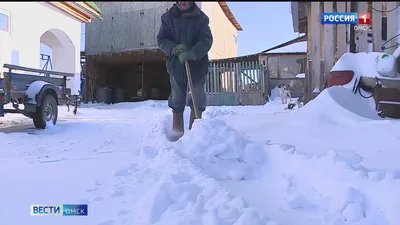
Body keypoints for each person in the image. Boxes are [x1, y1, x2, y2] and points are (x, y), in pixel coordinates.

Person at [157, 1, 213, 139]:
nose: (183, 2)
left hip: (198, 65)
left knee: (197, 97)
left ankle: (195, 135)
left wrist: (194, 53)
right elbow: (161, 40)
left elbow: (207, 39)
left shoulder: (201, 18)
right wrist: (174, 49)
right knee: (177, 98)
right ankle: (177, 133)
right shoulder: (167, 18)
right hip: (176, 66)